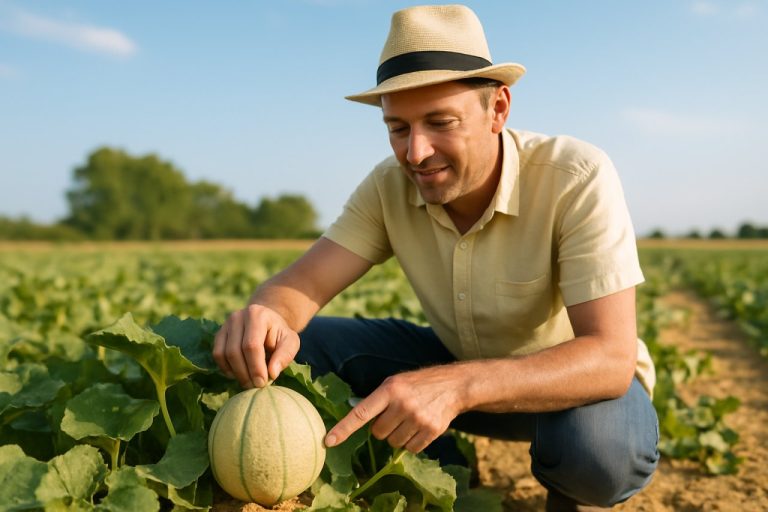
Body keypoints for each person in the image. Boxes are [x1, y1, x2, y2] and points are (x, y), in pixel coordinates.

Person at [213, 4, 659, 510]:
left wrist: (457, 386)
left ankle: (568, 490)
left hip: (568, 393)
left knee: (601, 456)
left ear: (498, 109)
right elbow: (302, 286)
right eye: (398, 128)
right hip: (456, 364)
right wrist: (267, 314)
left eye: (440, 122)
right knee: (295, 344)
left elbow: (610, 358)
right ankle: (442, 463)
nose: (416, 153)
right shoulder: (388, 186)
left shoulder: (575, 176)